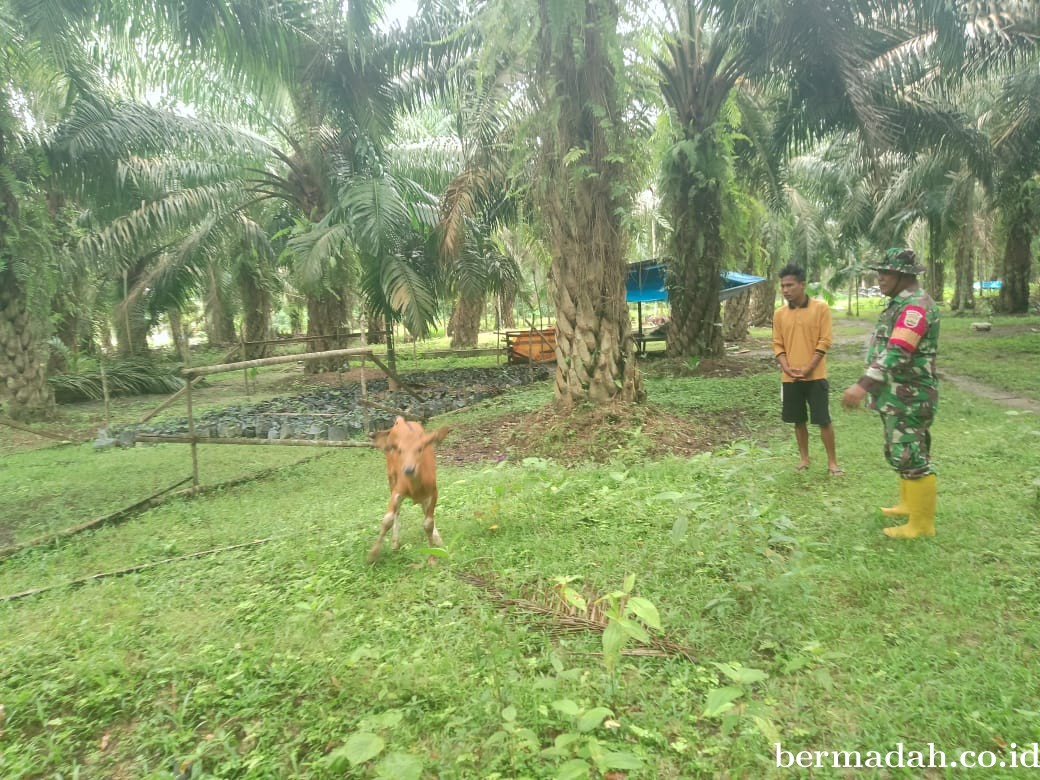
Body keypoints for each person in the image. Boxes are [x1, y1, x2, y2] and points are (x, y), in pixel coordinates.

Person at [841, 248, 939, 539]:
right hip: (897, 395)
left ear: (903, 275)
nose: (880, 278)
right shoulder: (900, 303)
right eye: (879, 272)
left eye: (886, 273)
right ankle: (908, 505)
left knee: (911, 455)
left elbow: (898, 351)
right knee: (900, 450)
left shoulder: (915, 307)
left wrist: (863, 384)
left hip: (910, 396)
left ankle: (921, 525)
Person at [772, 263, 842, 475]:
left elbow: (825, 341)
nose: (785, 290)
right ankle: (804, 459)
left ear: (802, 285)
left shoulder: (820, 309)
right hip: (790, 377)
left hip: (816, 376)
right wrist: (788, 368)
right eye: (783, 286)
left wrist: (809, 368)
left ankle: (832, 463)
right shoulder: (779, 314)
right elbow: (777, 344)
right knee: (798, 420)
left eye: (790, 285)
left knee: (823, 419)